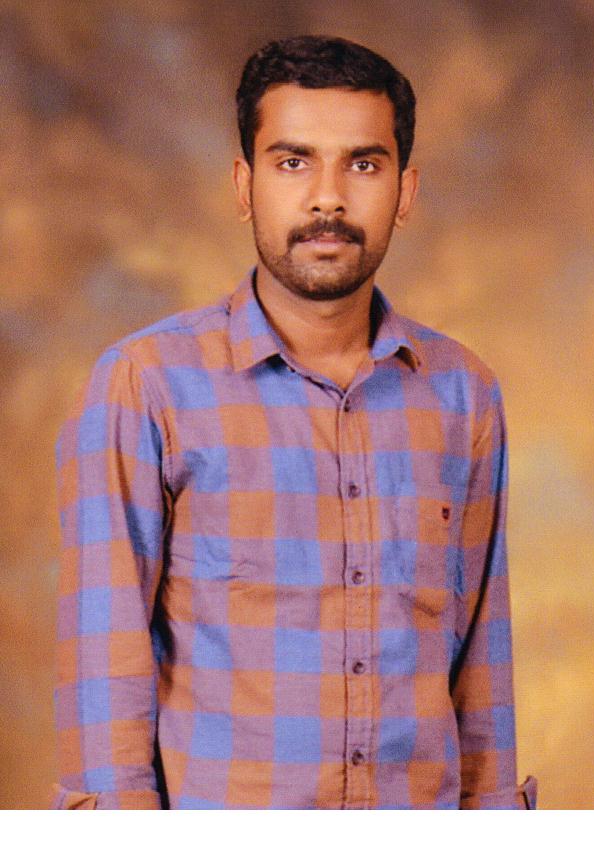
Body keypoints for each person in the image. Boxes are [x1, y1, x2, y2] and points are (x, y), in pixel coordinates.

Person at [52, 35, 537, 810]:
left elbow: (483, 678)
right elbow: (103, 685)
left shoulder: (463, 395)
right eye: (293, 162)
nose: (328, 199)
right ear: (244, 185)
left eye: (364, 164)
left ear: (405, 191)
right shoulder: (146, 387)